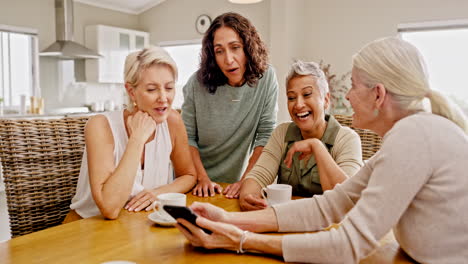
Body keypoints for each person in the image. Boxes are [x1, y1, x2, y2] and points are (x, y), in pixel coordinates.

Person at [175, 37, 468, 263]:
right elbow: (330, 205)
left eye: (353, 86)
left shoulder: (415, 136)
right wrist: (229, 219)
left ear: (378, 94)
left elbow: (348, 245)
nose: (348, 96)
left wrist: (240, 240)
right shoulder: (408, 136)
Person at [66, 46, 196, 221]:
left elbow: (189, 175)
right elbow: (109, 208)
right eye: (152, 89)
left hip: (137, 226)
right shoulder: (101, 126)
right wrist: (137, 139)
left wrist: (157, 193)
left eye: (169, 87)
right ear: (131, 91)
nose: (163, 98)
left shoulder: (172, 121)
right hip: (86, 229)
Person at [239, 60, 363, 211]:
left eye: (307, 94)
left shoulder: (347, 139)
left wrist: (317, 147)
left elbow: (346, 200)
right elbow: (258, 176)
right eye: (291, 97)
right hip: (288, 222)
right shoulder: (282, 133)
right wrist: (248, 196)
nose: (298, 105)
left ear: (325, 100)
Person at [182, 12, 278, 198]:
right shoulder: (196, 84)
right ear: (212, 55)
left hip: (236, 184)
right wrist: (201, 178)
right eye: (219, 51)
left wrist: (247, 179)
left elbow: (265, 134)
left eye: (235, 47)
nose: (228, 59)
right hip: (196, 183)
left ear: (248, 48)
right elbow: (187, 138)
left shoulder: (266, 78)